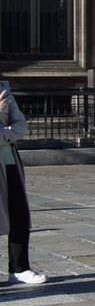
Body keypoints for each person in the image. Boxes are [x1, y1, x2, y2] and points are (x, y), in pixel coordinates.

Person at [0, 79, 39, 286]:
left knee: (20, 216)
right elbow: (13, 130)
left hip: (9, 162)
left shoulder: (3, 91)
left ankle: (19, 269)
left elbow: (21, 126)